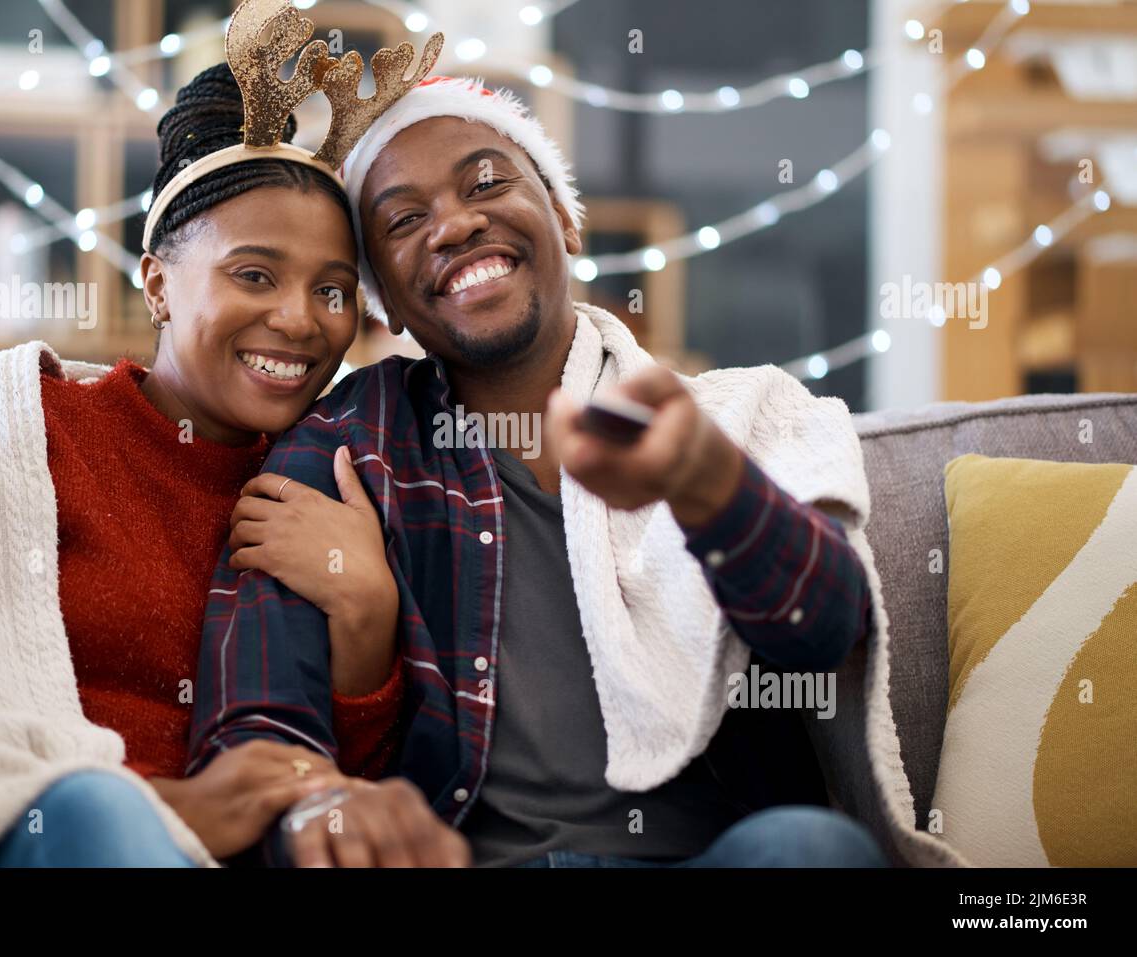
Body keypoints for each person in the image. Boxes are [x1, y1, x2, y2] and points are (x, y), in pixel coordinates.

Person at [191, 74, 896, 868]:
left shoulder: (727, 418)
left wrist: (708, 487)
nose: (454, 224)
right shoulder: (345, 447)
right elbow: (256, 722)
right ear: (382, 299)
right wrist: (317, 802)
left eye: (486, 181)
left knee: (811, 848)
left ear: (564, 216)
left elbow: (826, 631)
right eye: (405, 220)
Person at [0, 47, 466, 869]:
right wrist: (177, 807)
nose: (301, 319)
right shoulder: (17, 427)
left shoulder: (345, 474)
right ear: (158, 282)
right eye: (254, 273)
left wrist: (367, 615)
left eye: (332, 289)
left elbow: (336, 791)